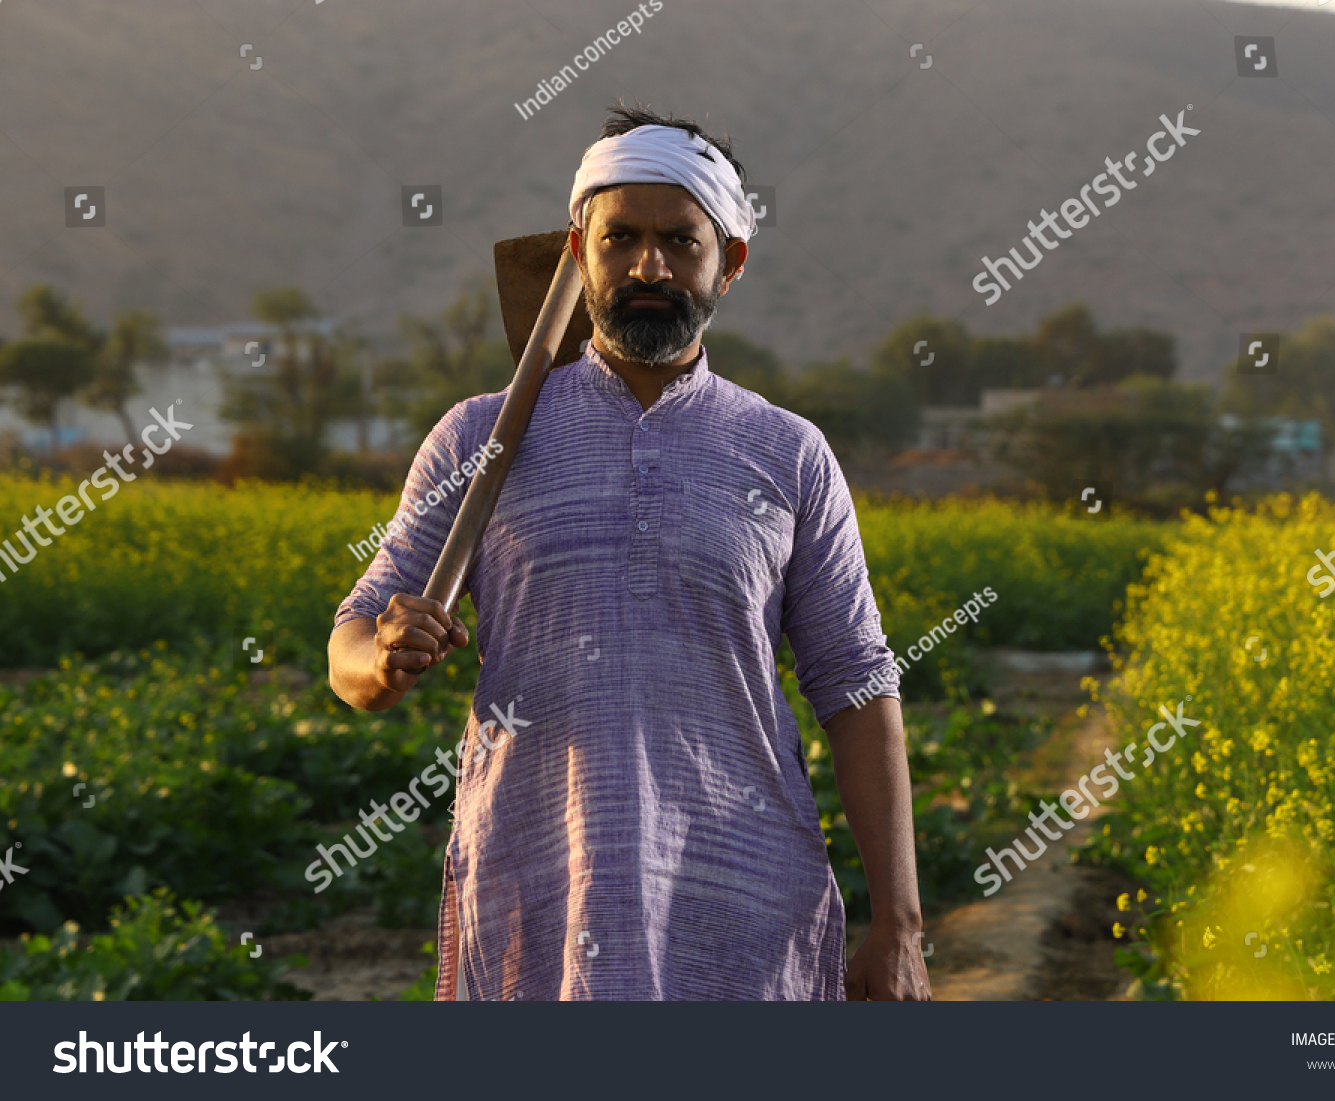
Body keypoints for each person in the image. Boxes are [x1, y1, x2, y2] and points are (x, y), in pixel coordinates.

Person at [328, 102, 929, 1001]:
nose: (649, 265)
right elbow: (351, 644)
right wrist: (381, 656)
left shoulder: (788, 453)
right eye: (622, 239)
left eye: (681, 240)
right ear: (579, 254)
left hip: (743, 892)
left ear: (729, 262)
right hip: (537, 885)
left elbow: (856, 685)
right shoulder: (480, 438)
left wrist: (902, 925)